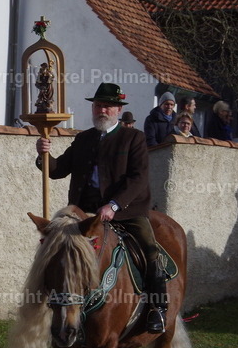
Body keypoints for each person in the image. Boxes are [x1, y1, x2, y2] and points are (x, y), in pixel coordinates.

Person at [35, 82, 168, 333]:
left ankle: (157, 309)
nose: (101, 111)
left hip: (126, 213)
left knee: (151, 251)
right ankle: (54, 305)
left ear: (118, 110)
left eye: (107, 106)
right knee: (56, 251)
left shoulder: (134, 138)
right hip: (83, 216)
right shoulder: (83, 139)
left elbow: (138, 178)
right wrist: (43, 156)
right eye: (98, 106)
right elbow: (58, 170)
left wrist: (114, 205)